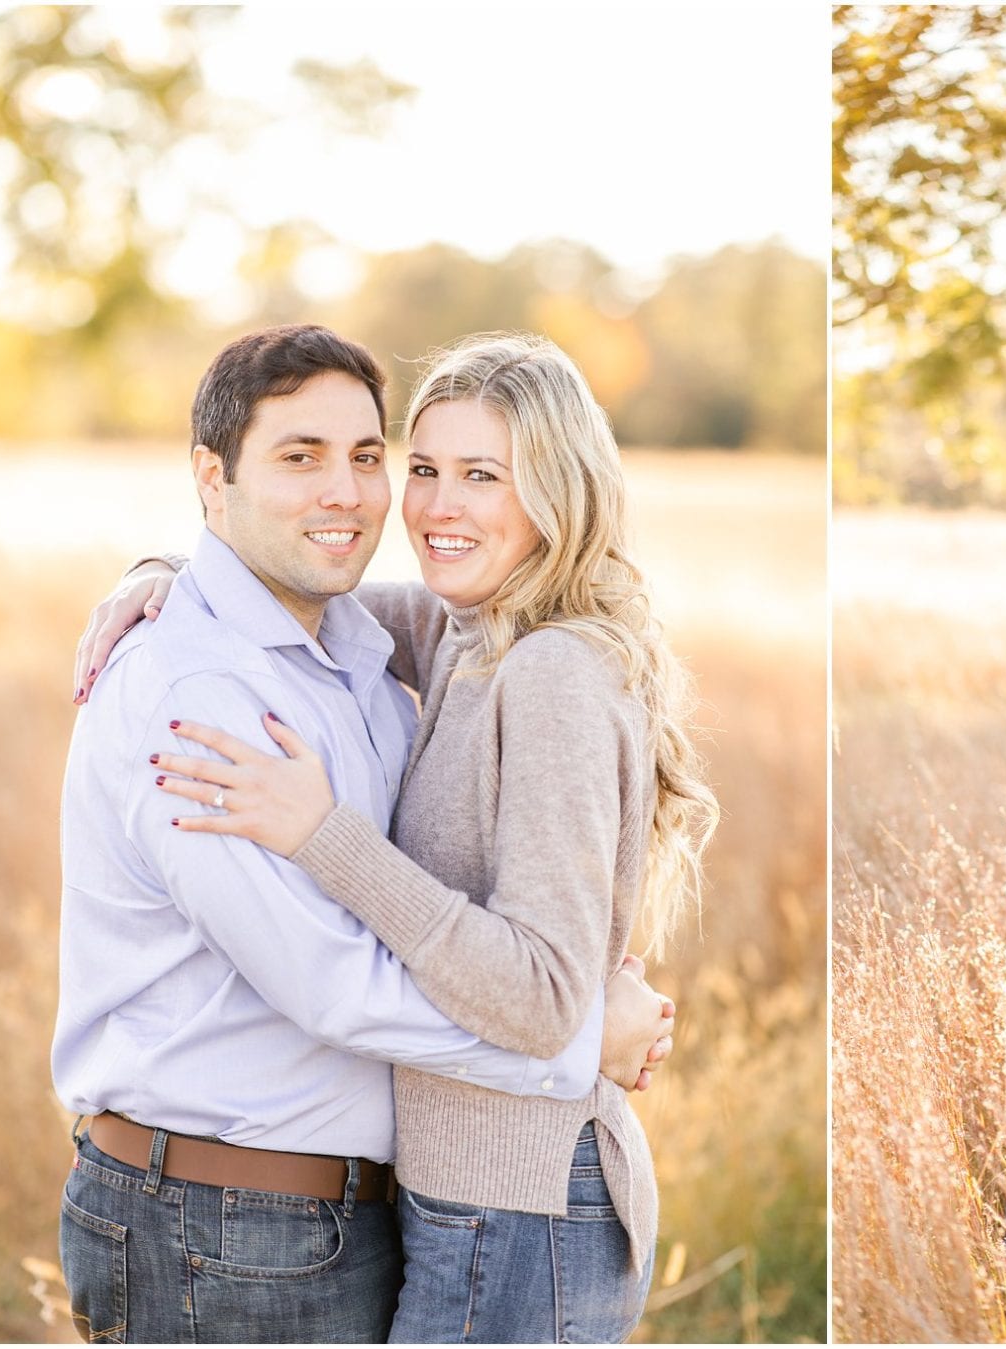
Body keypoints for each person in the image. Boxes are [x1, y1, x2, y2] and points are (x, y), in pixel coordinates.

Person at [81, 332, 717, 1342]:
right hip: (465, 1198)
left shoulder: (548, 671)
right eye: (421, 469)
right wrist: (166, 571)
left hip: (519, 1209)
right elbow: (291, 588)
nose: (433, 506)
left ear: (560, 490)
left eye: (482, 475)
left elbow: (543, 995)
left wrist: (327, 835)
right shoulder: (470, 625)